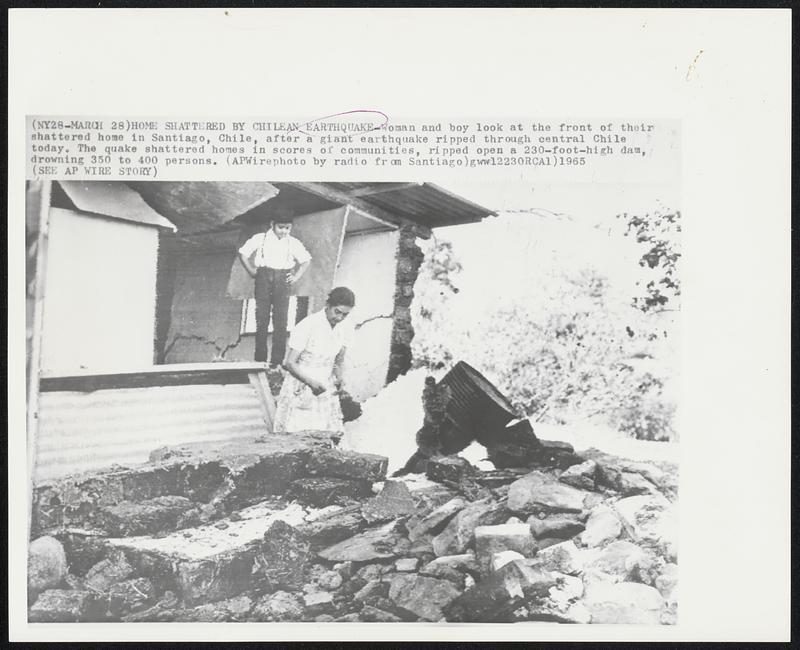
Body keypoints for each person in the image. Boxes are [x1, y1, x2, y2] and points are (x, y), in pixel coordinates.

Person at [273, 287, 356, 434]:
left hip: (326, 385)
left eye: (345, 315)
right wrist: (311, 383)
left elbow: (338, 361)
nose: (340, 318)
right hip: (303, 382)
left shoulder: (345, 328)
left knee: (324, 432)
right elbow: (289, 363)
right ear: (328, 305)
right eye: (337, 312)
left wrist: (340, 380)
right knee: (300, 431)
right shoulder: (308, 325)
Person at [238, 214, 311, 367]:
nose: (284, 231)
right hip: (263, 278)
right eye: (281, 227)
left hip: (282, 280)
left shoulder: (293, 242)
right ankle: (260, 360)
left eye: (287, 228)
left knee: (281, 321)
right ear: (272, 224)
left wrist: (296, 277)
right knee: (261, 319)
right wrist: (252, 271)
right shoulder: (260, 238)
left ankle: (277, 362)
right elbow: (243, 253)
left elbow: (306, 260)